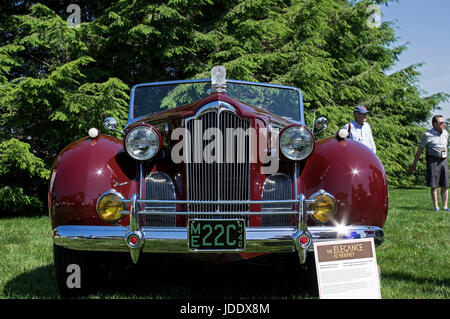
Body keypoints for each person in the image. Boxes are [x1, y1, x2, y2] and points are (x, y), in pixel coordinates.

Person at [409, 115, 449, 211]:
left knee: (445, 185)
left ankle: (445, 206)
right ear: (435, 124)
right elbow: (420, 150)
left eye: (443, 122)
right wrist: (414, 164)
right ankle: (436, 207)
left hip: (444, 160)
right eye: (441, 123)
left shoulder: (446, 133)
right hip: (433, 161)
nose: (443, 124)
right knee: (434, 185)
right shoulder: (427, 135)